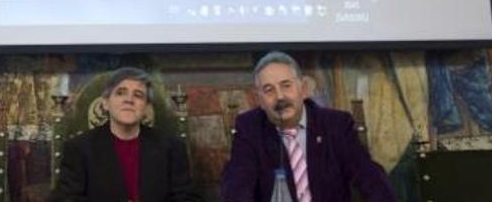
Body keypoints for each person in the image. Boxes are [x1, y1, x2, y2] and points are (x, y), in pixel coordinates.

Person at [220, 52, 397, 202]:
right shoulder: (250, 129)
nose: (280, 96)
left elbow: (370, 178)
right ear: (259, 99)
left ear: (303, 89)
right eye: (269, 90)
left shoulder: (335, 125)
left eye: (286, 85)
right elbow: (237, 186)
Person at [48, 67, 200, 202]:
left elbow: (186, 197)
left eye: (138, 95)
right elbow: (65, 198)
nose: (129, 100)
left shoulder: (171, 148)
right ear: (105, 103)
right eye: (121, 93)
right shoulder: (79, 149)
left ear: (147, 107)